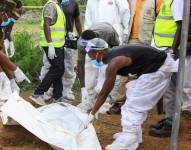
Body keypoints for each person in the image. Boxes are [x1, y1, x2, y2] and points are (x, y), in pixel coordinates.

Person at [83, 38, 178, 150]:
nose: (90, 58)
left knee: (133, 105)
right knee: (132, 94)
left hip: (159, 69)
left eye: (91, 54)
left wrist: (92, 114)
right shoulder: (113, 55)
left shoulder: (114, 62)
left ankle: (129, 137)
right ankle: (134, 135)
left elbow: (104, 92)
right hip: (157, 66)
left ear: (99, 52)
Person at [107, 0, 164, 114]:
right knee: (124, 73)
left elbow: (159, 21)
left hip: (146, 41)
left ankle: (136, 105)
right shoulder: (132, 1)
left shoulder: (156, 1)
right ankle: (118, 103)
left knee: (142, 76)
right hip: (130, 40)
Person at [149, 0, 186, 137]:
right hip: (163, 48)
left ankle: (171, 124)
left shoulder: (177, 1)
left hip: (168, 50)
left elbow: (180, 25)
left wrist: (172, 50)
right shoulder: (169, 1)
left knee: (171, 89)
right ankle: (170, 119)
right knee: (169, 89)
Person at [39, 0, 82, 102]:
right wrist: (50, 44)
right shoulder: (53, 3)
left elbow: (77, 20)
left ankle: (66, 90)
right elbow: (46, 23)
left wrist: (81, 36)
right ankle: (47, 91)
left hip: (68, 38)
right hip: (54, 40)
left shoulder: (74, 3)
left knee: (68, 66)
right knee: (49, 65)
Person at [77, 22, 120, 112]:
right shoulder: (81, 43)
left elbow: (113, 48)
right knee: (89, 71)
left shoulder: (107, 32)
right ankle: (89, 101)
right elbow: (80, 64)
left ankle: (106, 101)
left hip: (111, 46)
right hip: (97, 49)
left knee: (106, 73)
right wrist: (83, 88)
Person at [31, 0, 66, 105]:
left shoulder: (56, 6)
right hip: (52, 45)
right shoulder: (51, 5)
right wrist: (50, 44)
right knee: (57, 69)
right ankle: (38, 93)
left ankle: (58, 97)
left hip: (58, 44)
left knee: (59, 70)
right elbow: (46, 24)